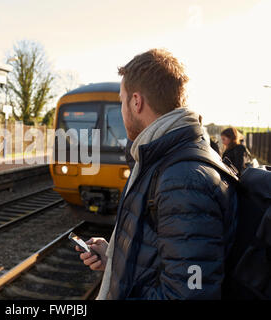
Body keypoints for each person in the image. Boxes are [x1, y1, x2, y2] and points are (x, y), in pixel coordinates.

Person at [75, 49, 238, 299]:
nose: (122, 109)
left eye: (122, 101)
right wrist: (115, 259)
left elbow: (189, 295)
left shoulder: (184, 180)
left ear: (136, 102)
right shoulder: (164, 161)